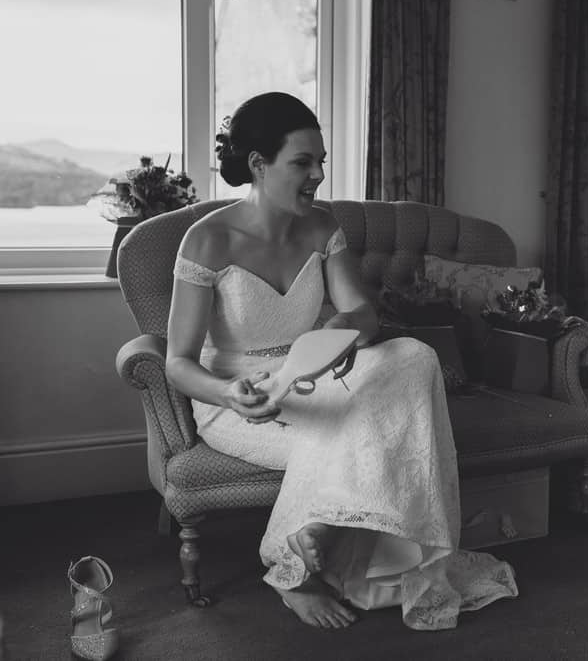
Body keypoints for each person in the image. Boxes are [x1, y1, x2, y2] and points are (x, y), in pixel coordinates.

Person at [165, 91, 517, 631]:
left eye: (322, 161)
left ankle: (322, 535)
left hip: (315, 375)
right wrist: (227, 394)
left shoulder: (322, 225)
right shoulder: (207, 240)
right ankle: (295, 575)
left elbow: (363, 313)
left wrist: (345, 329)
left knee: (414, 356)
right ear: (258, 164)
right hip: (241, 398)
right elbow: (178, 362)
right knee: (369, 427)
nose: (318, 175)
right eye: (303, 163)